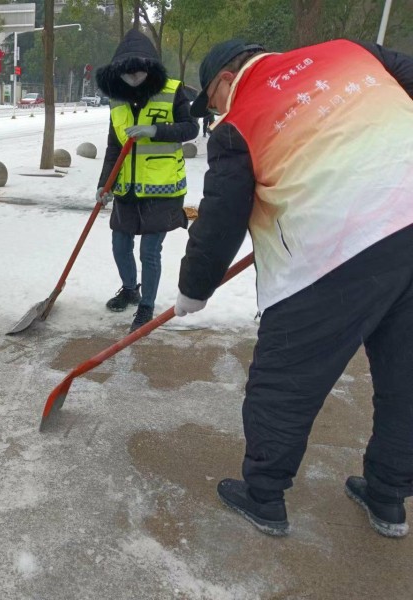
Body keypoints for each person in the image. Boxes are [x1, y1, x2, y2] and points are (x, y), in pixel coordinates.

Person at [176, 38, 413, 537]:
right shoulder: (350, 51)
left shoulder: (237, 125)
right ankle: (389, 495)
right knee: (406, 376)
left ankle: (263, 496)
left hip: (333, 247)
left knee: (287, 380)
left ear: (223, 79)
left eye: (212, 103)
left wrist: (194, 289)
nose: (215, 112)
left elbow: (220, 221)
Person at [95, 29, 199, 333]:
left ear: (150, 67)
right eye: (126, 73)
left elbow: (189, 128)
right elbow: (114, 146)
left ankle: (146, 305)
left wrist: (156, 131)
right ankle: (130, 289)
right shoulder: (117, 101)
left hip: (163, 187)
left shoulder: (173, 90)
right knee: (119, 244)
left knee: (150, 251)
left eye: (138, 71)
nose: (133, 77)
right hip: (126, 186)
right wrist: (105, 185)